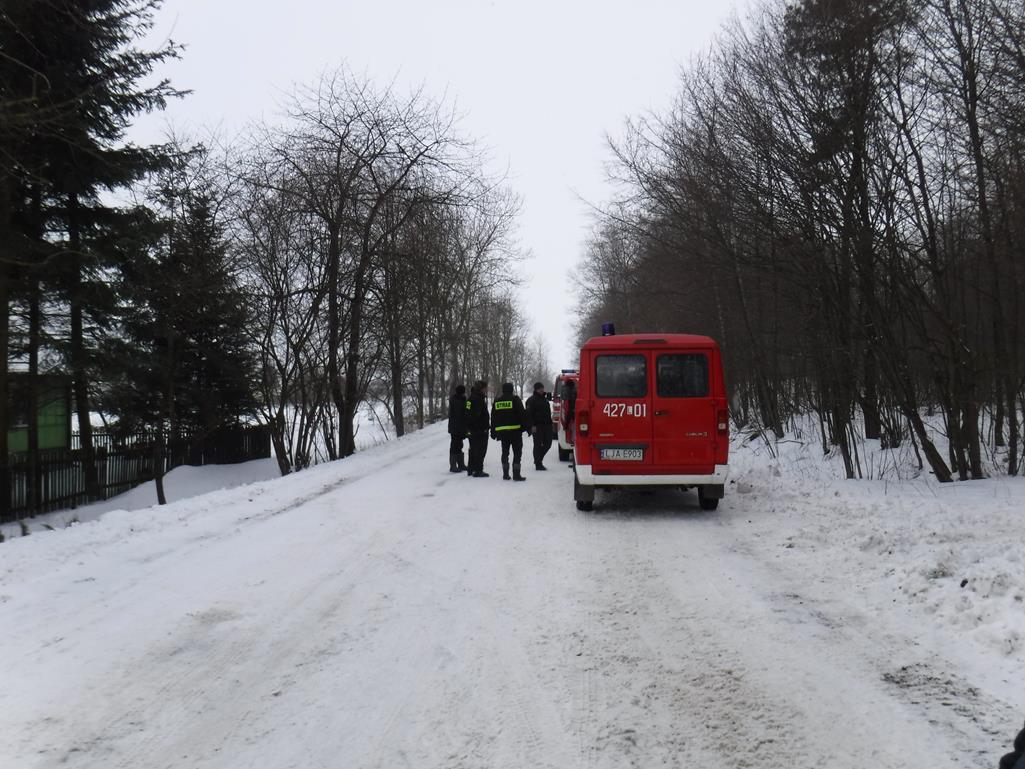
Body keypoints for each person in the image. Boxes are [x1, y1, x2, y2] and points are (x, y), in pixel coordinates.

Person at [490, 382, 527, 481]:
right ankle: (516, 474)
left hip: (503, 433)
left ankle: (505, 474)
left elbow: (493, 417)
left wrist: (493, 431)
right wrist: (525, 428)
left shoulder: (497, 401)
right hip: (515, 432)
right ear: (511, 389)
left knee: (505, 452)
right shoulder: (515, 400)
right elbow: (522, 414)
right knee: (517, 453)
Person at [524, 381, 553, 471]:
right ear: (536, 390)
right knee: (537, 445)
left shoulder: (545, 399)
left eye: (542, 388)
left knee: (548, 444)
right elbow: (528, 415)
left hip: (547, 425)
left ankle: (538, 459)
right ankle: (538, 464)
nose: (541, 390)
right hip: (537, 426)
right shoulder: (531, 400)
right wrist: (532, 425)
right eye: (539, 389)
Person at [465, 380, 490, 478]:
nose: (486, 390)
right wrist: (482, 426)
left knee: (473, 449)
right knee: (480, 450)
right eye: (485, 388)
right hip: (479, 430)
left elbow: (466, 412)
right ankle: (478, 470)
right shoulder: (477, 399)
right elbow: (475, 415)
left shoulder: (470, 398)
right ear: (481, 388)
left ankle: (471, 469)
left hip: (472, 429)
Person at [447, 384, 468, 473]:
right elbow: (461, 415)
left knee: (458, 445)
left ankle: (460, 464)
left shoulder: (455, 399)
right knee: (455, 445)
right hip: (457, 427)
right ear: (462, 392)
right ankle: (453, 466)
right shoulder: (459, 401)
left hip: (455, 427)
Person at [562, 378, 577, 468]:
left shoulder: (570, 395)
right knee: (575, 441)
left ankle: (575, 461)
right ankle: (574, 461)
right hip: (576, 419)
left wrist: (566, 424)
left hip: (573, 419)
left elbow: (568, 411)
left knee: (574, 440)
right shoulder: (576, 392)